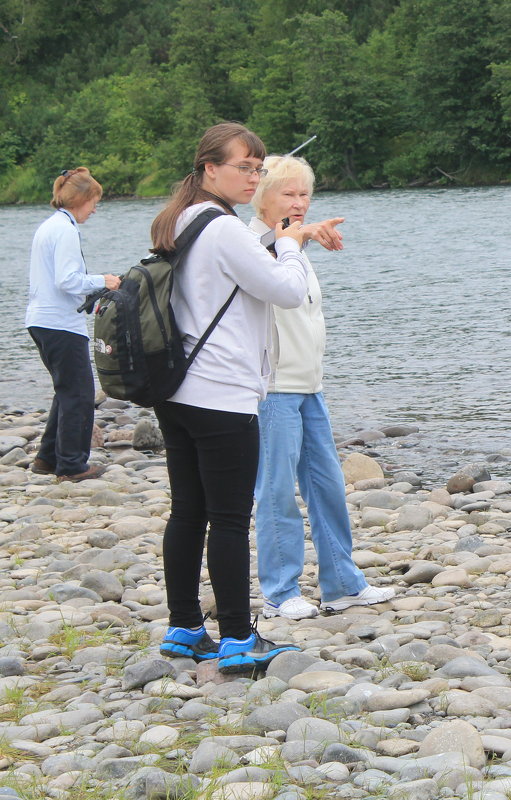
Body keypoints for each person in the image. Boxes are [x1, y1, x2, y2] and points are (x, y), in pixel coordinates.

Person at [151, 122, 344, 675]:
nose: (253, 176)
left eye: (258, 168)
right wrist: (289, 240)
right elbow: (285, 289)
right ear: (210, 168)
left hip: (179, 389)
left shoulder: (181, 219)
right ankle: (238, 637)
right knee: (230, 517)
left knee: (188, 510)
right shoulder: (224, 228)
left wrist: (290, 237)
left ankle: (185, 627)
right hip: (223, 394)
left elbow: (234, 276)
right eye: (244, 167)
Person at [249, 155, 395, 620]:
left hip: (310, 385)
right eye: (288, 194)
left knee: (327, 485)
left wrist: (303, 236)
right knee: (275, 490)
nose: (298, 202)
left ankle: (342, 583)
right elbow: (266, 252)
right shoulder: (250, 241)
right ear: (261, 198)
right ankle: (279, 591)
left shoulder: (293, 245)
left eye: (304, 193)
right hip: (272, 390)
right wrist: (302, 234)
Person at [25, 168, 121, 482]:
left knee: (66, 390)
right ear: (80, 199)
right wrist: (103, 281)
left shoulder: (50, 226)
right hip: (59, 322)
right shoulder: (65, 230)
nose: (95, 209)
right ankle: (72, 465)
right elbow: (67, 280)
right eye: (94, 201)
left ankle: (47, 458)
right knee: (79, 393)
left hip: (41, 319)